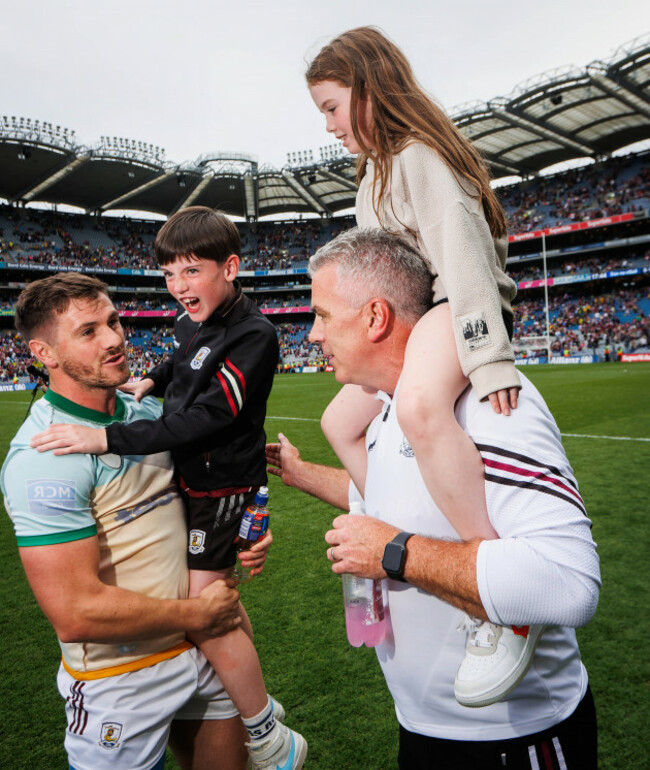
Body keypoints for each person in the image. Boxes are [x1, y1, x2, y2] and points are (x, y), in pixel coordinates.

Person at [267, 228, 600, 769]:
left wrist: (394, 553)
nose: (311, 335)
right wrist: (304, 475)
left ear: (375, 317)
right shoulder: (385, 411)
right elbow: (385, 498)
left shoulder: (489, 404)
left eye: (323, 315)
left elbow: (568, 583)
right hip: (422, 728)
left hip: (513, 738)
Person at [28, 208, 307, 770]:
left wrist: (106, 439)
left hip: (221, 483)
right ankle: (261, 711)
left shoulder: (254, 334)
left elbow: (205, 418)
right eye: (170, 274)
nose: (179, 287)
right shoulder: (188, 324)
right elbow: (182, 359)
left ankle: (265, 729)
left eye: (192, 272)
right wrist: (152, 379)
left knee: (212, 605)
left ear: (230, 268)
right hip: (200, 497)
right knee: (216, 600)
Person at [306, 27, 532, 704]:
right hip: (415, 309)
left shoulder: (419, 157)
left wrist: (487, 358)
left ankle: (496, 595)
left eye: (330, 105)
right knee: (339, 421)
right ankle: (402, 539)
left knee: (420, 406)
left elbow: (462, 260)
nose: (326, 124)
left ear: (368, 88)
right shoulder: (373, 172)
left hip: (455, 302)